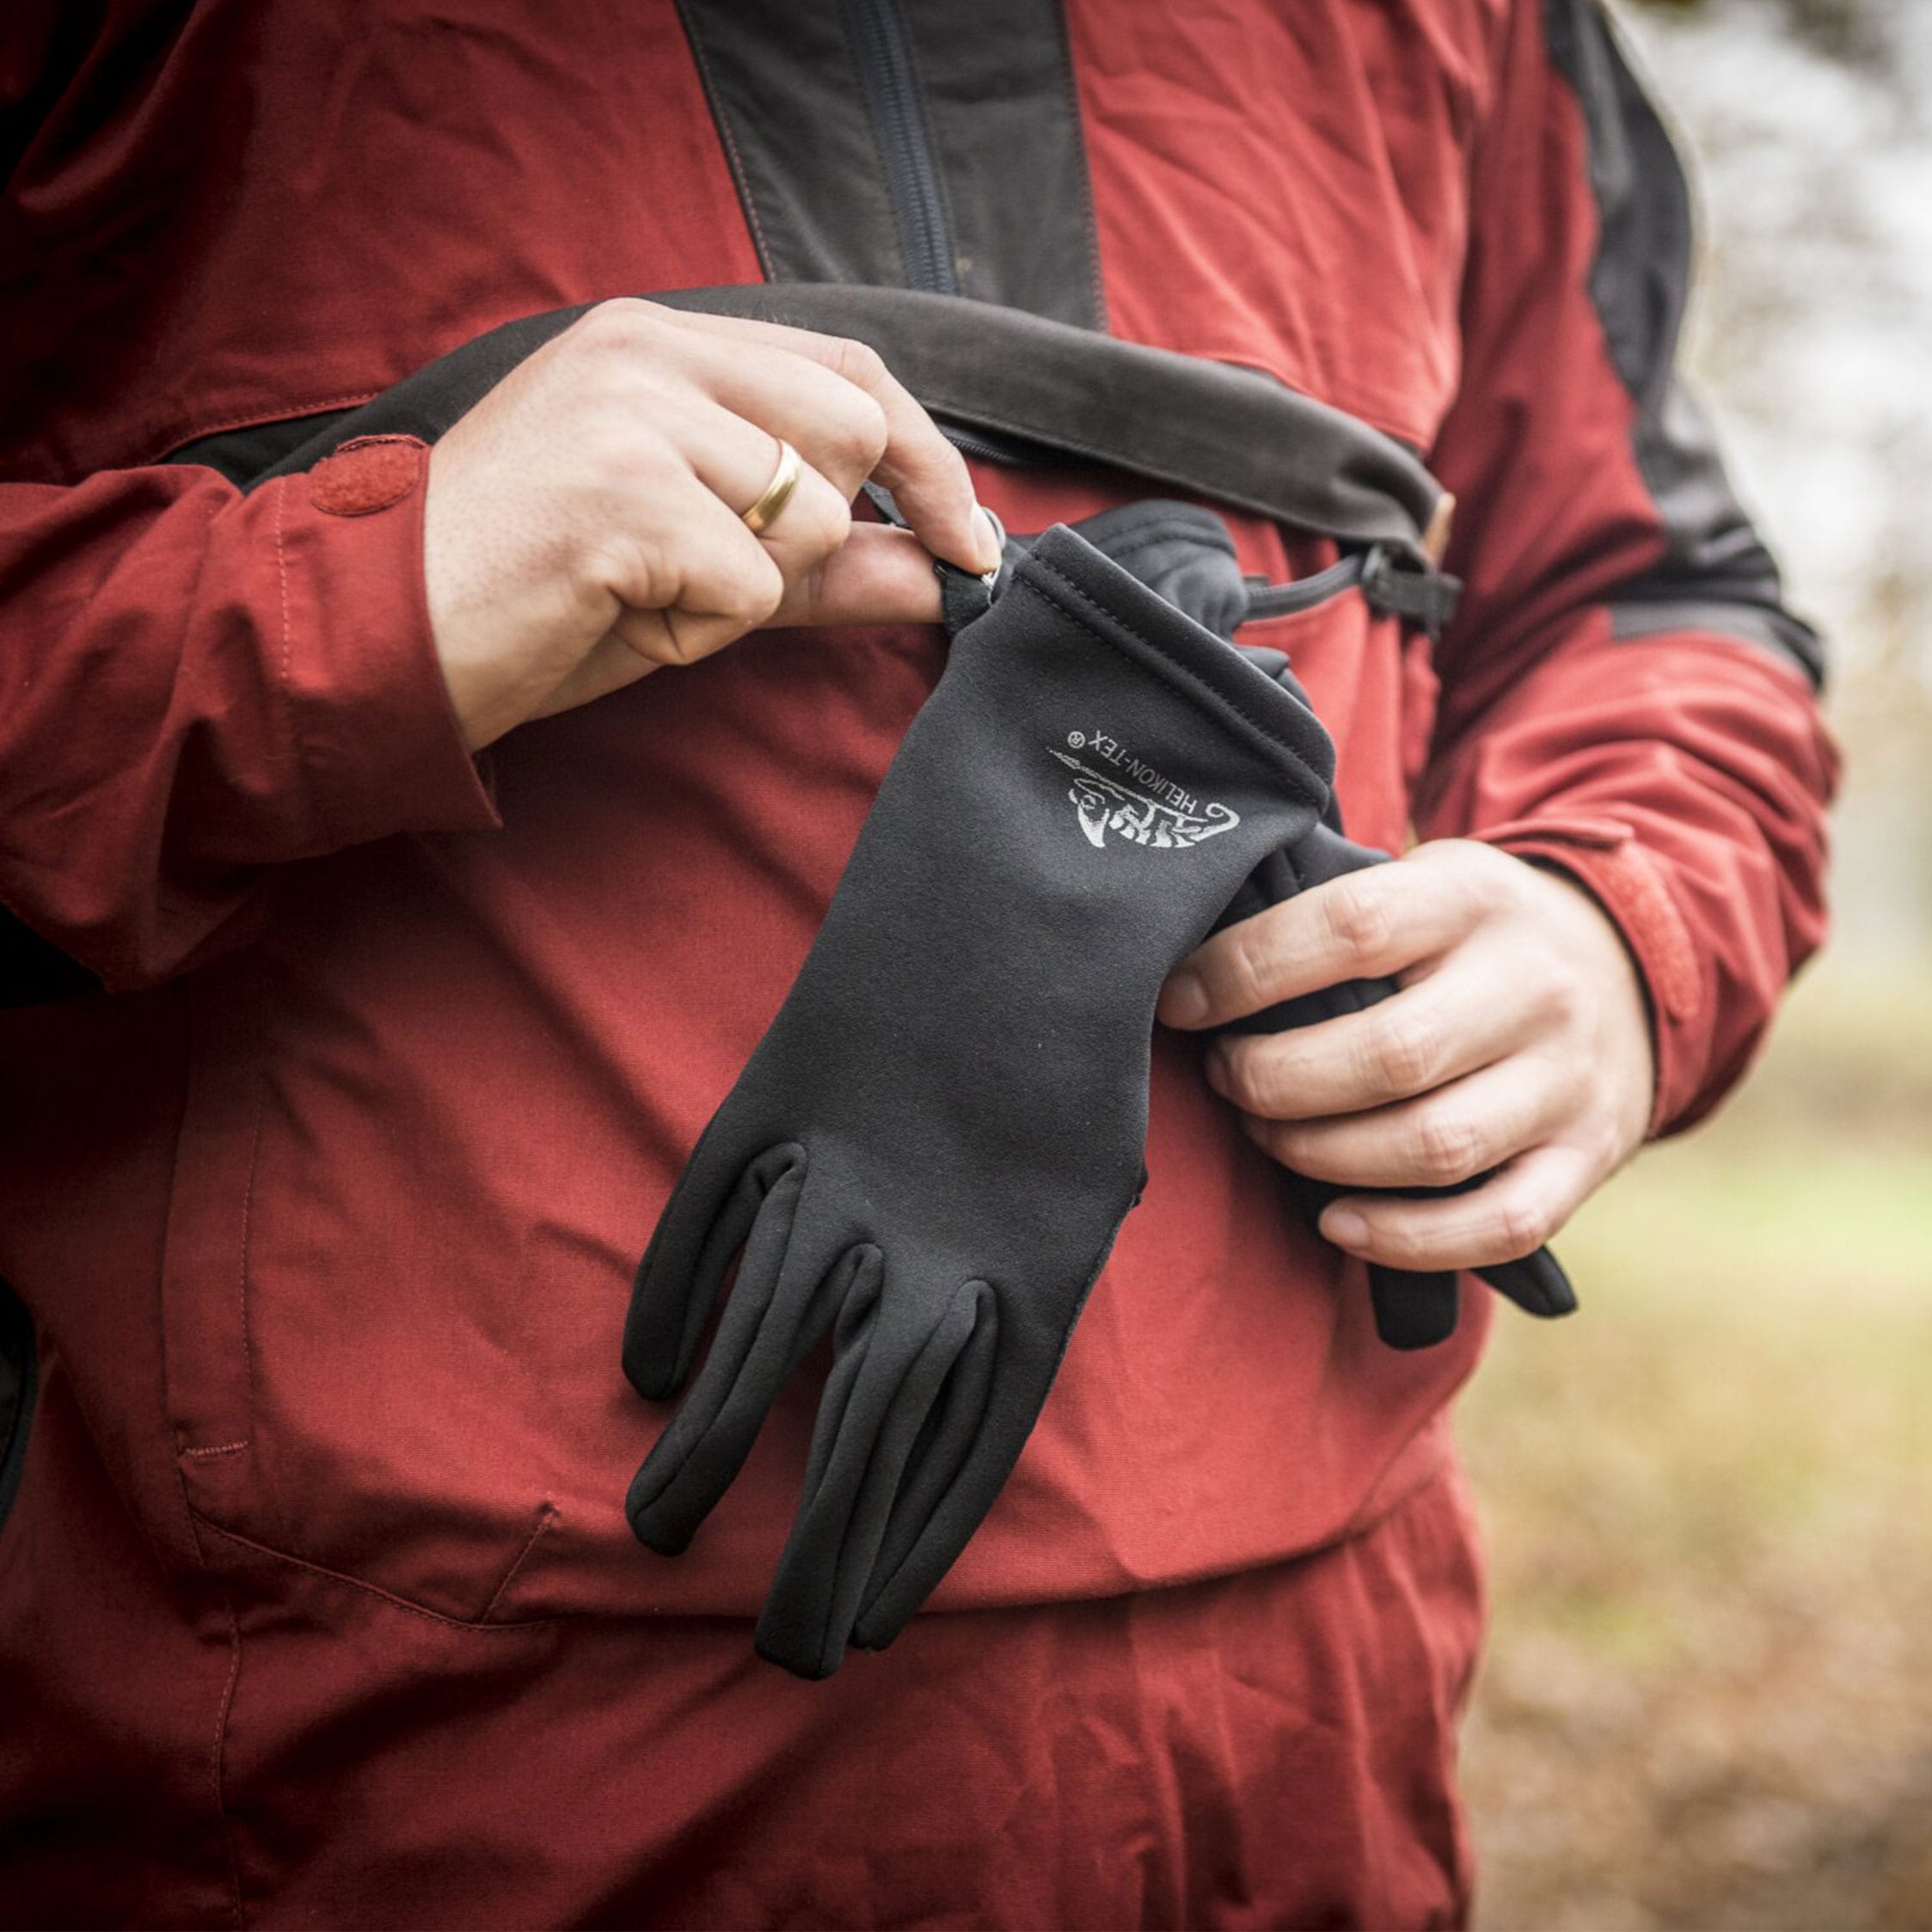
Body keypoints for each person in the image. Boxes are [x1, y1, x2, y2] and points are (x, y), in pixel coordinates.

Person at [0, 2, 1833, 1925]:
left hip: (1309, 1760)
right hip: (367, 1784)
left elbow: (1657, 598)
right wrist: (350, 601)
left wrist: (1617, 925)